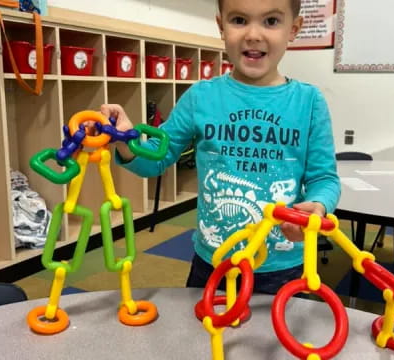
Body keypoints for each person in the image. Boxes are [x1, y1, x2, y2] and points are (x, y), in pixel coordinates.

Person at [100, 0, 341, 294]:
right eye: (239, 20)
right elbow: (155, 160)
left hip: (281, 266)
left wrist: (318, 206)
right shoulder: (201, 96)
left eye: (271, 22)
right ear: (221, 27)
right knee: (203, 336)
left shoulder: (309, 102)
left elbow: (324, 179)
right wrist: (126, 139)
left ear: (294, 29)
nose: (253, 34)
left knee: (274, 339)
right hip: (213, 261)